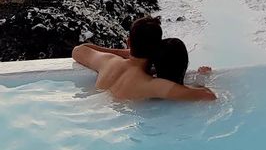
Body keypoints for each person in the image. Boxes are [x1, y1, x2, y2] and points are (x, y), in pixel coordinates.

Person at [72, 15, 216, 102]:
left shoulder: (108, 61)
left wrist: (127, 53)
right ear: (157, 49)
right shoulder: (152, 85)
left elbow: (78, 50)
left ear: (129, 42)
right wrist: (201, 80)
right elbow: (208, 96)